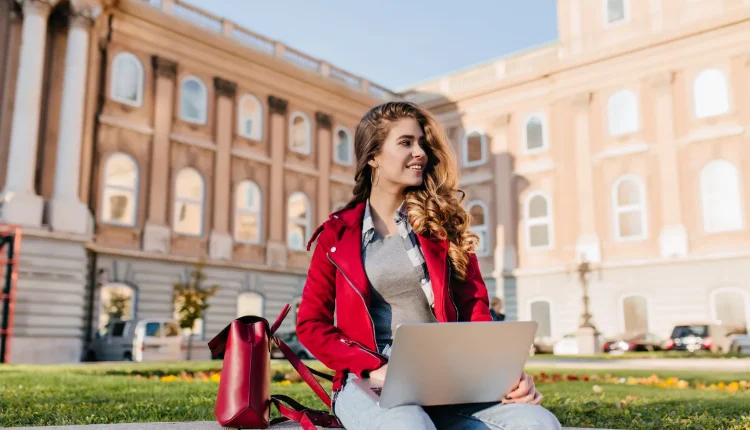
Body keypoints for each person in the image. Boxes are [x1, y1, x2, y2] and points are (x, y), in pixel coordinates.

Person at [296, 102, 561, 429]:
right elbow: (311, 324)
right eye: (406, 143)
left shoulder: (443, 225)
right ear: (373, 157)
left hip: (449, 379)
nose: (420, 152)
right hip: (370, 379)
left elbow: (474, 305)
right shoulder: (337, 235)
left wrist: (501, 375)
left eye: (422, 143)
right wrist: (375, 366)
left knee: (537, 423)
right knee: (410, 426)